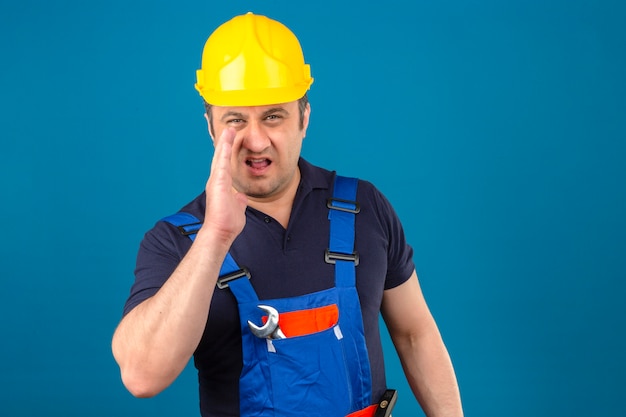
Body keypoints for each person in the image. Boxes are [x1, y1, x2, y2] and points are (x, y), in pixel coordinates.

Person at [112, 12, 463, 417]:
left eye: (273, 116)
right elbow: (141, 376)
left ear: (304, 118)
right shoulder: (175, 241)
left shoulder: (366, 207)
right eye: (235, 120)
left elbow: (415, 335)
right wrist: (215, 236)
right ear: (211, 127)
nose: (256, 140)